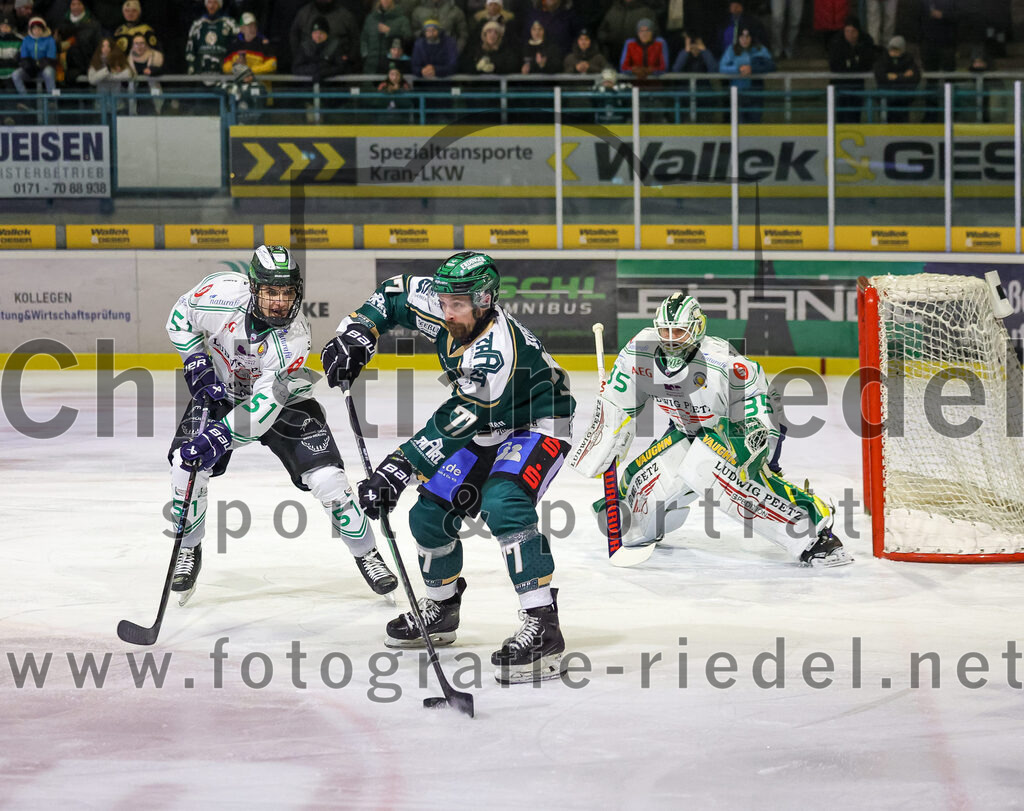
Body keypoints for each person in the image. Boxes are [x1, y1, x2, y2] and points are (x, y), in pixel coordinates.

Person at [320, 252, 576, 684]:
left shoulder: (498, 350)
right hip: (483, 425)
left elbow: (461, 416)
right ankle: (441, 608)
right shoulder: (442, 303)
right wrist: (358, 332)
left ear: (485, 301)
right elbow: (392, 294)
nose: (447, 312)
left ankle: (544, 627)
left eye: (457, 305)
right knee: (429, 513)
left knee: (504, 501)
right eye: (443, 301)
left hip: (537, 423)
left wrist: (398, 468)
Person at [164, 246, 398, 607]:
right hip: (222, 391)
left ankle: (367, 553)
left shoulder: (293, 340)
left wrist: (219, 436)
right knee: (185, 465)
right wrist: (195, 359)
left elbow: (262, 410)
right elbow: (180, 315)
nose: (279, 302)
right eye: (271, 292)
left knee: (328, 481)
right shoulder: (219, 293)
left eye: (287, 293)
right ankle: (189, 548)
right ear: (253, 287)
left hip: (286, 402)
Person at [569, 292, 852, 568]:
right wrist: (605, 441)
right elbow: (618, 405)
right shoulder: (638, 351)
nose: (670, 339)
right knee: (635, 506)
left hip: (736, 431)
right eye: (664, 332)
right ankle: (654, 521)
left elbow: (759, 409)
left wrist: (755, 453)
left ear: (697, 328)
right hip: (687, 431)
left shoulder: (726, 364)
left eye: (678, 332)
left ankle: (815, 535)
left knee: (715, 473)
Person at [719, 26, 774, 123]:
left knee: (754, 124)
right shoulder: (732, 50)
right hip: (738, 94)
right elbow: (722, 67)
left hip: (755, 93)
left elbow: (771, 65)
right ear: (738, 38)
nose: (744, 40)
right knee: (739, 125)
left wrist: (753, 69)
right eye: (742, 37)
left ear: (751, 38)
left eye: (747, 37)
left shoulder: (760, 49)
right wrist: (737, 69)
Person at [827, 15, 874, 123]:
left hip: (857, 85)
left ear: (858, 31)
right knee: (841, 116)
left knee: (855, 115)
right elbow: (835, 66)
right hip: (840, 85)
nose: (850, 34)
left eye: (853, 31)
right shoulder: (836, 42)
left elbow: (867, 63)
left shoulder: (866, 41)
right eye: (847, 31)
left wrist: (850, 64)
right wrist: (854, 65)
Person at [873, 34, 919, 123]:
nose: (893, 52)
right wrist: (903, 76)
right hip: (886, 99)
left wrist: (896, 77)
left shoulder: (909, 60)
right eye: (891, 49)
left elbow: (915, 78)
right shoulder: (882, 59)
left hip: (903, 100)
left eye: (896, 49)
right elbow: (881, 78)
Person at [186, 0, 237, 75]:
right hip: (201, 71)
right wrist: (191, 65)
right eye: (209, 2)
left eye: (215, 3)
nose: (211, 6)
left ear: (220, 5)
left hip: (224, 71)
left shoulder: (230, 23)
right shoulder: (197, 24)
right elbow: (190, 48)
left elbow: (238, 45)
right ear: (206, 5)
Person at [361, 0, 411, 75]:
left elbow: (408, 37)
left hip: (392, 65)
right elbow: (364, 38)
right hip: (371, 63)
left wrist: (390, 31)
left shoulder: (401, 19)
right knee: (369, 85)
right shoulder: (371, 18)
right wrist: (365, 54)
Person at [222, 11, 277, 75]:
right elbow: (225, 66)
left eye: (254, 25)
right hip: (240, 84)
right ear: (241, 29)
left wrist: (250, 71)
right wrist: (236, 67)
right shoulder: (234, 45)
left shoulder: (264, 44)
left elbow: (272, 65)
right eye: (249, 25)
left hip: (260, 84)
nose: (253, 28)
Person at [11, 16, 56, 94]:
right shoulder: (26, 40)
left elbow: (50, 57)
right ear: (31, 30)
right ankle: (25, 99)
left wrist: (38, 64)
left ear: (43, 29)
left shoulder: (50, 40)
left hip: (44, 68)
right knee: (15, 75)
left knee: (48, 73)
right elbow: (24, 56)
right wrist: (28, 66)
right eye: (34, 28)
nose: (36, 31)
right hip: (31, 69)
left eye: (39, 29)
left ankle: (52, 101)